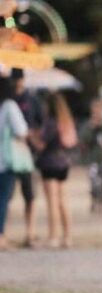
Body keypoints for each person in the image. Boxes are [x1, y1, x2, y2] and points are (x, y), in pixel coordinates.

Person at [35, 93, 77, 248]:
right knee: (63, 201)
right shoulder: (66, 121)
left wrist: (32, 137)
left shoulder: (50, 123)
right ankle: (67, 236)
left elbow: (42, 144)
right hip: (63, 163)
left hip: (49, 163)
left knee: (52, 202)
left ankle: (53, 236)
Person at [11, 68, 43, 248]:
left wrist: (33, 137)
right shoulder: (6, 100)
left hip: (27, 153)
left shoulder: (32, 100)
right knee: (5, 195)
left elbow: (40, 123)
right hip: (8, 153)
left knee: (29, 195)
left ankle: (29, 233)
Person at [0, 75, 28, 250]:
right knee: (2, 198)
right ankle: (1, 236)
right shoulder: (9, 106)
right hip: (4, 159)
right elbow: (21, 130)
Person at [80, 100, 102, 215]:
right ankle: (94, 201)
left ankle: (101, 203)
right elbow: (83, 139)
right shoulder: (88, 124)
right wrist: (91, 128)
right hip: (92, 159)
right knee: (93, 182)